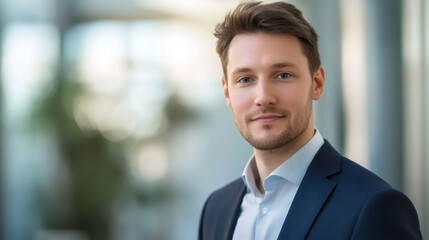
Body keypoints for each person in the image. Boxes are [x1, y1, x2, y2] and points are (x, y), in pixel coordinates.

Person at [198, 1, 422, 240]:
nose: (263, 98)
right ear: (227, 93)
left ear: (317, 84)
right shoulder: (216, 209)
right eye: (245, 79)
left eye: (283, 75)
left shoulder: (375, 207)